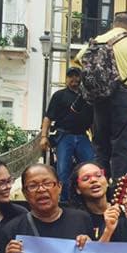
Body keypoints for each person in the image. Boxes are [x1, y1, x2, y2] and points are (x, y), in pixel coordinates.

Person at [75, 12, 127, 179]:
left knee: (100, 145)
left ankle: (101, 182)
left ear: (113, 25)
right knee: (122, 146)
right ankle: (119, 188)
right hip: (123, 97)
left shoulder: (97, 40)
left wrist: (102, 74)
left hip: (99, 97)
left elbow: (79, 59)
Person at [40, 66, 94, 202]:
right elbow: (48, 117)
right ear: (66, 79)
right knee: (63, 170)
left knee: (90, 168)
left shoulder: (87, 97)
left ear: (81, 78)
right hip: (64, 136)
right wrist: (43, 137)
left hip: (82, 135)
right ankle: (64, 201)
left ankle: (87, 199)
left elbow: (92, 120)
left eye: (77, 76)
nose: (74, 79)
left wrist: (96, 139)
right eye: (71, 76)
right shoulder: (59, 95)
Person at [68, 161, 112, 240]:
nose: (93, 180)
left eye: (98, 175)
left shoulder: (124, 211)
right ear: (78, 189)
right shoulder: (76, 219)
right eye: (86, 178)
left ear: (107, 181)